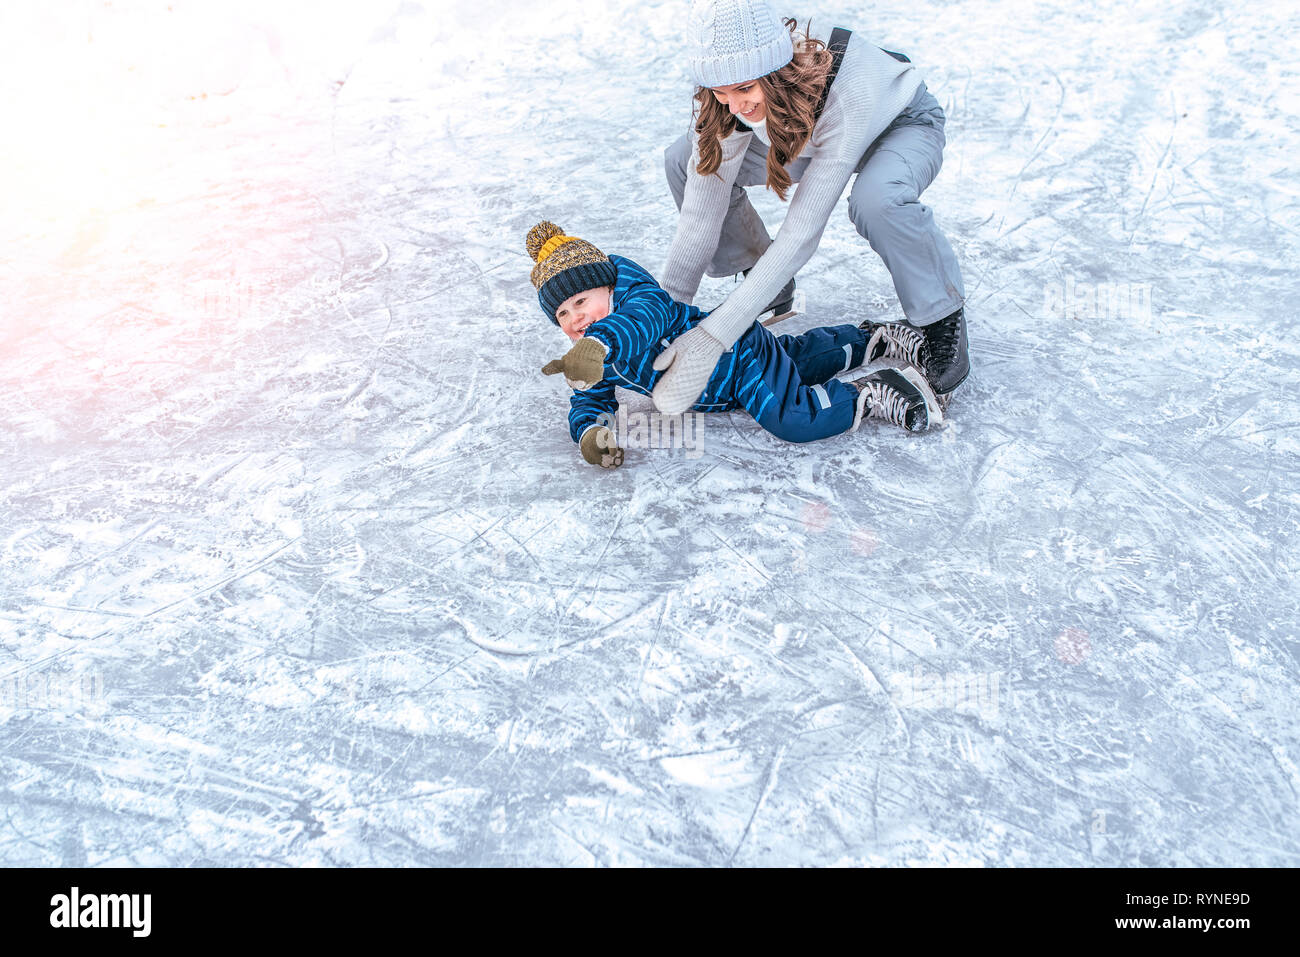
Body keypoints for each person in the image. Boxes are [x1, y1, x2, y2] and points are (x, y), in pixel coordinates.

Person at [652, 0, 969, 416]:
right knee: (687, 160)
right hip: (796, 125)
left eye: (745, 89)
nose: (735, 106)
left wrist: (716, 334)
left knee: (877, 200)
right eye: (721, 92)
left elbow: (801, 232)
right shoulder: (729, 94)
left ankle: (941, 320)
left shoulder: (842, 87)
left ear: (775, 71)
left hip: (899, 123)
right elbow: (700, 216)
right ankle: (766, 282)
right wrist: (662, 318)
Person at [525, 221, 943, 468]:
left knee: (793, 418)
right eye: (562, 314)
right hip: (732, 378)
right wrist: (590, 433)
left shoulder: (639, 302)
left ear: (608, 288)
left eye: (581, 301)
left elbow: (640, 323)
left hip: (733, 354)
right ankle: (875, 338)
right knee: (799, 361)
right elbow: (588, 397)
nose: (575, 318)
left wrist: (598, 345)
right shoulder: (597, 354)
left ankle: (873, 393)